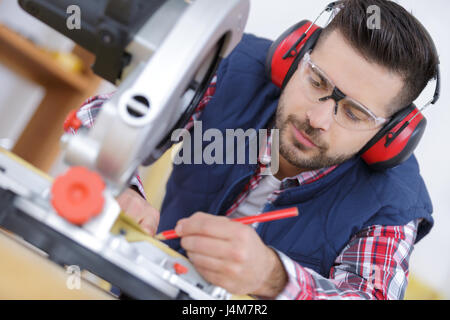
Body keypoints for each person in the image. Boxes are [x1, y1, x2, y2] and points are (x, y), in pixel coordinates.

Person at [75, 0, 438, 299]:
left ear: (392, 135)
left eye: (355, 113)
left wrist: (273, 279)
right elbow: (94, 117)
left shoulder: (395, 204)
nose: (317, 118)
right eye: (316, 80)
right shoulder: (230, 68)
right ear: (292, 56)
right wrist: (121, 186)